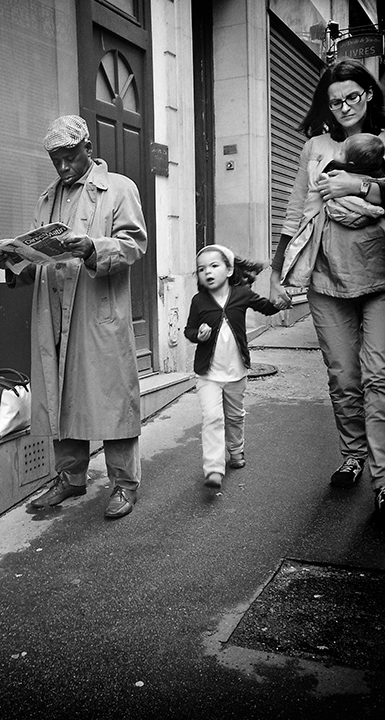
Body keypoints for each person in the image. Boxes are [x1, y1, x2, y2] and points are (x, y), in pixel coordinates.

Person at [0, 115, 148, 519]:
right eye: (55, 160)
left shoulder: (119, 189)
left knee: (113, 398)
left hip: (96, 309)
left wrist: (92, 247)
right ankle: (71, 478)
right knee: (60, 395)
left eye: (68, 158)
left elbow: (134, 245)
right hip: (53, 307)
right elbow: (36, 257)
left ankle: (124, 484)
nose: (62, 167)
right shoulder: (48, 198)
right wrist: (11, 260)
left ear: (89, 150)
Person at [269, 59, 385, 519]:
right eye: (334, 101)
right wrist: (275, 265)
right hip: (324, 272)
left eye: (351, 97)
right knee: (343, 376)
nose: (343, 107)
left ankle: (384, 478)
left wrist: (359, 184)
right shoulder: (315, 146)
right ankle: (354, 454)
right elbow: (297, 204)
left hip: (379, 273)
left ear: (369, 94)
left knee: (379, 377)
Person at [185, 245, 280, 489]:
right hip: (208, 374)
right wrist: (199, 335)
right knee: (213, 418)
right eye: (201, 269)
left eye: (214, 266)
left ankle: (236, 450)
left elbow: (267, 307)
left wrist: (280, 300)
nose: (207, 272)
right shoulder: (198, 301)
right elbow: (189, 330)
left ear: (228, 270)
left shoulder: (242, 293)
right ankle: (214, 469)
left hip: (236, 372)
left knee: (234, 416)